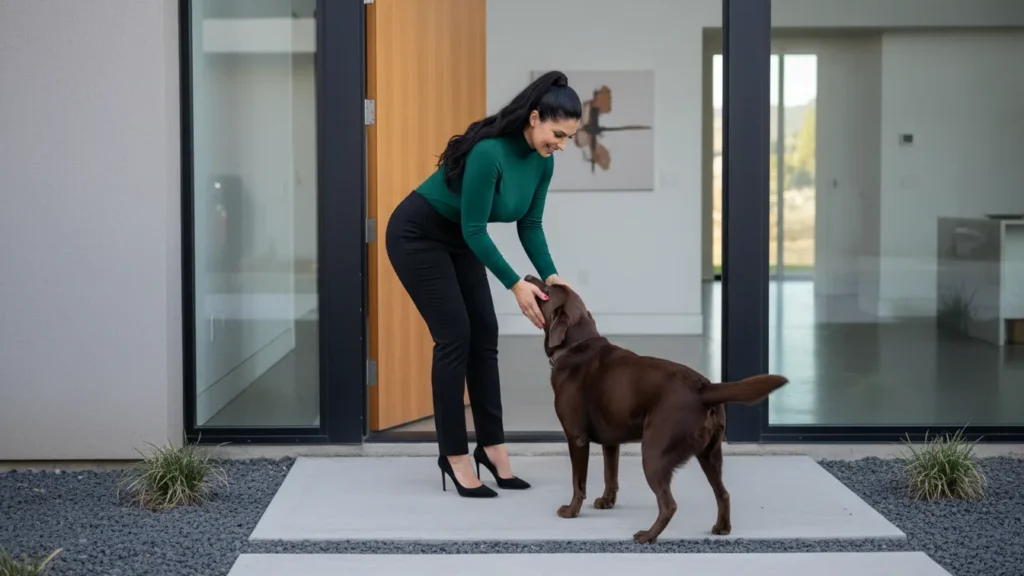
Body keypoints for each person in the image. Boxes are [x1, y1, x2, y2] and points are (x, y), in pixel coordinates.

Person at [385, 71, 582, 498]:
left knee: (485, 336)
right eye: (558, 134)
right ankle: (454, 455)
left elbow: (530, 224)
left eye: (569, 138)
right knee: (455, 337)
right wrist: (515, 283)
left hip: (459, 238)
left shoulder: (542, 163)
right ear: (534, 118)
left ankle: (492, 449)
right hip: (419, 235)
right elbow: (476, 230)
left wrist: (550, 274)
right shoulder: (489, 153)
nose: (561, 145)